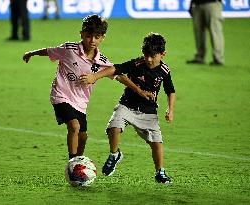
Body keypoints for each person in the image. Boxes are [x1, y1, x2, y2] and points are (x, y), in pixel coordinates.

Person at [22, 14, 152, 160]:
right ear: (82, 34)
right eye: (89, 36)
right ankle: (72, 163)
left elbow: (119, 75)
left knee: (83, 137)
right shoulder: (69, 49)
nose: (92, 41)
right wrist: (31, 53)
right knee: (74, 127)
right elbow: (50, 51)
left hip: (81, 103)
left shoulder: (102, 61)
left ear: (103, 38)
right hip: (61, 95)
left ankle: (79, 162)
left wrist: (138, 90)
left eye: (97, 37)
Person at [80, 32, 176, 184]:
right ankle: (114, 154)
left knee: (156, 143)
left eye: (153, 56)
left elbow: (170, 91)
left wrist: (170, 110)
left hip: (148, 112)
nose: (149, 59)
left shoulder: (164, 71)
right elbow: (115, 69)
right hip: (127, 105)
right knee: (113, 127)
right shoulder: (137, 64)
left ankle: (160, 172)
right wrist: (95, 77)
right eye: (146, 55)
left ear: (162, 54)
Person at [186, 0, 224, 66]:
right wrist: (191, 4)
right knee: (198, 33)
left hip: (212, 4)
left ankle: (218, 59)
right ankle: (199, 57)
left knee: (215, 32)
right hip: (197, 5)